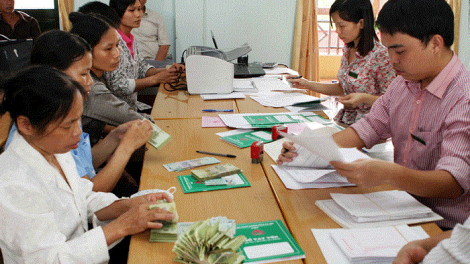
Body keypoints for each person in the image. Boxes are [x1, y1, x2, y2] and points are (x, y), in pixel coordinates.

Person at [278, 0, 470, 230]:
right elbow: (368, 128)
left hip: (444, 228)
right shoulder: (402, 85)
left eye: (399, 51)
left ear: (435, 43)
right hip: (402, 207)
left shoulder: (463, 97)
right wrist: (309, 149)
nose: (392, 60)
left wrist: (390, 174)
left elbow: (453, 182)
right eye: (388, 50)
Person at [0, 66, 174, 263]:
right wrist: (122, 226)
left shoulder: (54, 149)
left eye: (78, 121)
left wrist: (127, 205)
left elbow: (82, 198)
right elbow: (48, 259)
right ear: (26, 125)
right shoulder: (13, 182)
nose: (77, 132)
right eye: (68, 125)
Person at [4, 30, 150, 197]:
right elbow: (87, 194)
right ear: (55, 75)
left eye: (90, 73)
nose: (89, 82)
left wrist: (116, 136)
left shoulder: (66, 112)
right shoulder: (48, 126)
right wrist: (125, 149)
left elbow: (85, 163)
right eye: (83, 74)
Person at [288, 0, 395, 125]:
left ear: (361, 23)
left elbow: (391, 101)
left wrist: (363, 98)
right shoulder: (348, 49)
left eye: (342, 26)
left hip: (371, 126)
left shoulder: (381, 56)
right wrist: (306, 84)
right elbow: (341, 88)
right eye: (335, 25)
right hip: (346, 121)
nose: (337, 31)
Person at [69, 11, 154, 145]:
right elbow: (129, 116)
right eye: (108, 49)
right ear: (86, 51)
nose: (117, 53)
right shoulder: (90, 86)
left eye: (118, 45)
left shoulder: (100, 75)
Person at [106, 0, 184, 112]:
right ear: (116, 13)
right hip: (117, 111)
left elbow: (142, 68)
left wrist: (166, 70)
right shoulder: (113, 42)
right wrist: (157, 78)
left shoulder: (131, 39)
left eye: (139, 9)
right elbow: (119, 85)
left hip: (131, 107)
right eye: (132, 10)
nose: (138, 14)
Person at [131, 0, 173, 68]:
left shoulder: (156, 17)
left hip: (156, 60)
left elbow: (165, 44)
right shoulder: (124, 18)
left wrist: (155, 65)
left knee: (174, 71)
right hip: (135, 63)